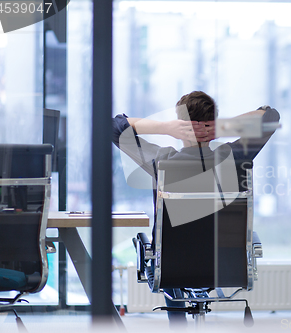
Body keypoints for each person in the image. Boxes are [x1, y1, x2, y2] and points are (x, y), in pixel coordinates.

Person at [112, 91, 279, 329]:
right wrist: (219, 128)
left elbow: (115, 126)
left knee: (166, 251)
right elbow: (270, 116)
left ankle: (178, 325)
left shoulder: (161, 160)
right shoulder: (233, 157)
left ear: (180, 123)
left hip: (170, 270)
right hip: (226, 267)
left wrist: (165, 128)